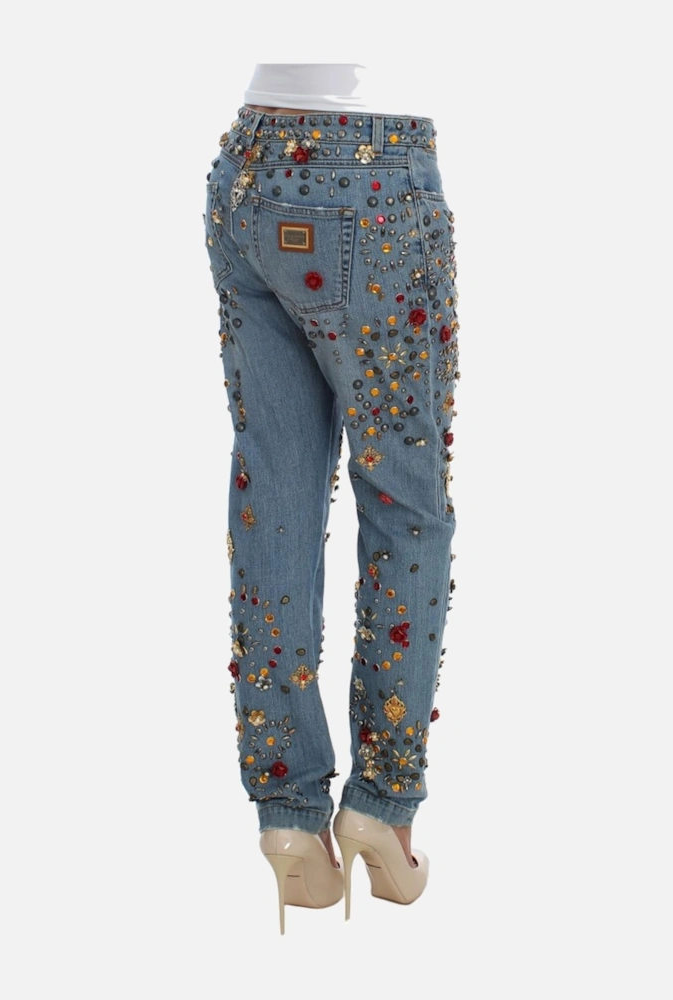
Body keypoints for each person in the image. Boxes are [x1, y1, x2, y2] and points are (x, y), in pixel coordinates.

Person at [203, 63, 459, 933]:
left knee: (273, 494)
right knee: (407, 505)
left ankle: (289, 818)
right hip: (375, 177)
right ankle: (382, 807)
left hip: (248, 166)